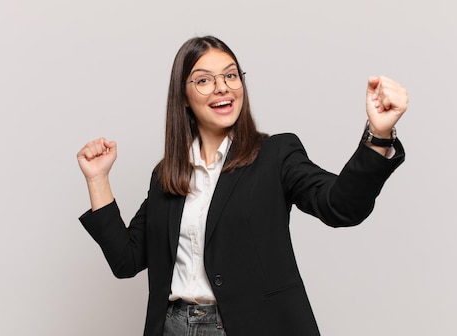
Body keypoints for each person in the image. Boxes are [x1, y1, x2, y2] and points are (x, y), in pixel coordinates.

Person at [77, 35, 407, 336]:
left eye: (231, 75)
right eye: (204, 80)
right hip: (172, 328)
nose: (222, 87)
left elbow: (341, 206)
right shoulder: (167, 174)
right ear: (183, 97)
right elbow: (126, 260)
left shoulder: (276, 155)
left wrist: (378, 137)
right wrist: (98, 179)